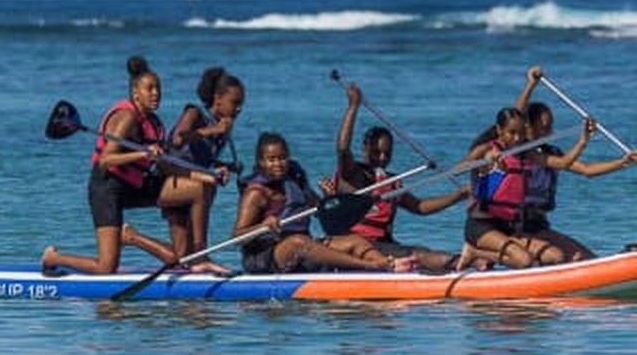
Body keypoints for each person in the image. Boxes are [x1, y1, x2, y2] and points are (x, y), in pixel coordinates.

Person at [41, 57, 228, 275]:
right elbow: (105, 160)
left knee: (199, 189)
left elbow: (167, 168)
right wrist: (143, 152)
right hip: (107, 188)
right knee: (106, 268)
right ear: (136, 93)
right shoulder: (126, 117)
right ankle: (53, 257)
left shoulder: (155, 124)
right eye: (150, 89)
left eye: (158, 89)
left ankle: (199, 256)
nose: (156, 93)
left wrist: (209, 176)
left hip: (135, 186)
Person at [331, 84, 474, 272]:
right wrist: (352, 107)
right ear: (365, 149)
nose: (382, 158)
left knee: (422, 250)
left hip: (384, 245)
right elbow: (343, 149)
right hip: (359, 248)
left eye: (387, 153)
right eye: (376, 152)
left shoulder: (392, 181)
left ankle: (465, 265)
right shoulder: (352, 174)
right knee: (418, 255)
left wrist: (458, 196)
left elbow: (419, 207)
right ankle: (467, 264)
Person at [232, 132, 416, 274]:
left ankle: (387, 263)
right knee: (298, 243)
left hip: (302, 246)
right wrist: (262, 226)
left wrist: (328, 197)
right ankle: (370, 266)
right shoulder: (255, 193)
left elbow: (321, 211)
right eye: (271, 159)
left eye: (282, 158)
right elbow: (237, 237)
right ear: (261, 162)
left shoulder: (295, 181)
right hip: (265, 257)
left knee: (354, 241)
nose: (278, 164)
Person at [512, 65, 637, 260]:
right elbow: (516, 114)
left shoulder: (551, 153)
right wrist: (531, 85)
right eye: (544, 128)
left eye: (551, 127)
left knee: (586, 257)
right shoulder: (518, 151)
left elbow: (586, 170)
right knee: (562, 257)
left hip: (538, 225)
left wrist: (623, 162)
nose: (550, 132)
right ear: (527, 127)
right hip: (514, 226)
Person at [458, 107, 595, 269]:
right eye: (512, 133)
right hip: (482, 226)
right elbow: (459, 169)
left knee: (556, 257)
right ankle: (474, 252)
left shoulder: (527, 153)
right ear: (499, 130)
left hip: (509, 227)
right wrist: (485, 161)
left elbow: (563, 163)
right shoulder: (486, 150)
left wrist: (583, 140)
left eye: (521, 133)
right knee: (524, 261)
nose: (517, 138)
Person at [165, 67, 245, 252]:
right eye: (234, 102)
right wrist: (213, 130)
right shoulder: (195, 113)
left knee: (182, 255)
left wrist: (228, 166)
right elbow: (178, 140)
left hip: (192, 180)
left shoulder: (223, 125)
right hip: (172, 178)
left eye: (241, 104)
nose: (239, 108)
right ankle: (202, 250)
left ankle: (132, 237)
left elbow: (202, 158)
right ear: (218, 98)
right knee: (207, 185)